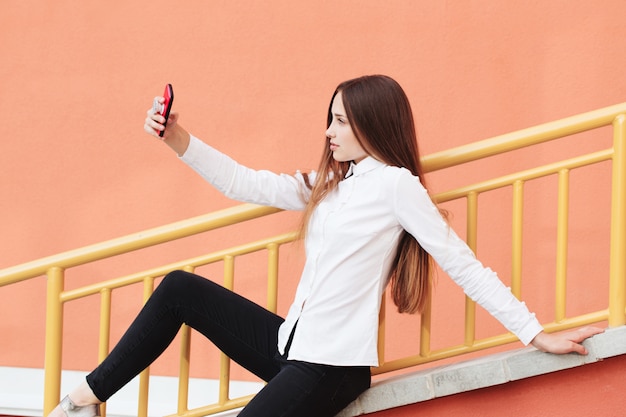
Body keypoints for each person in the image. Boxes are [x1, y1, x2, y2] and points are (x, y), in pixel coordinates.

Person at [48, 75, 603, 417]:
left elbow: (462, 264)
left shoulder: (394, 185)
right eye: (329, 120)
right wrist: (176, 137)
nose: (330, 132)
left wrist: (536, 333)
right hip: (292, 347)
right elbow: (247, 183)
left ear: (370, 124)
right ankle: (84, 398)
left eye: (339, 121)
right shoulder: (334, 183)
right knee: (178, 291)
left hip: (332, 367)